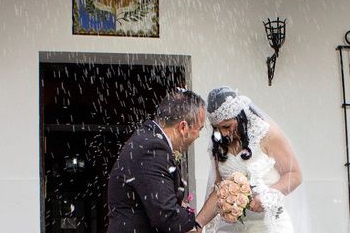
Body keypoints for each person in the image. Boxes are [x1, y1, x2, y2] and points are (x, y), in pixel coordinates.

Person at [196, 87, 302, 232]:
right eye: (217, 128)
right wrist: (197, 224)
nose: (222, 133)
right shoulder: (218, 145)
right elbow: (218, 190)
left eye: (227, 126)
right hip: (232, 227)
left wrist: (267, 196)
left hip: (267, 225)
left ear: (240, 116)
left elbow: (294, 175)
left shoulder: (267, 134)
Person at [108, 89, 206, 233]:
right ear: (183, 127)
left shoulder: (148, 138)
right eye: (199, 129)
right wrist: (191, 219)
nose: (198, 136)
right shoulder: (152, 148)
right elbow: (166, 216)